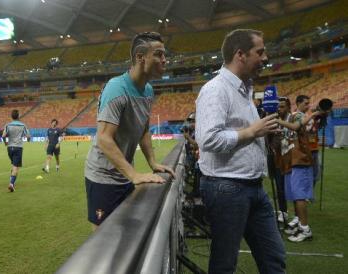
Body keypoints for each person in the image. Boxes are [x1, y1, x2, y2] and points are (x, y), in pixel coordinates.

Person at [195, 29, 286, 274]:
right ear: (240, 55)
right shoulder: (216, 90)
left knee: (274, 257)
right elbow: (207, 139)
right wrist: (252, 132)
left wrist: (264, 135)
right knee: (225, 264)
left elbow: (245, 133)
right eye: (260, 51)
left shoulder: (244, 90)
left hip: (253, 186)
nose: (265, 57)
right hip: (227, 188)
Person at [84, 32, 175, 229]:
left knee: (123, 232)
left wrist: (152, 162)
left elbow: (143, 128)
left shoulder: (148, 90)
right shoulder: (117, 88)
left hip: (124, 173)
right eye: (159, 54)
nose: (164, 60)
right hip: (102, 176)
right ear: (140, 58)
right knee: (103, 238)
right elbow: (104, 139)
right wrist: (134, 175)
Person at [277, 95, 322, 242]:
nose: (308, 106)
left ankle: (305, 228)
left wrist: (314, 115)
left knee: (299, 196)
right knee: (295, 196)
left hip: (301, 160)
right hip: (292, 161)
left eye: (309, 103)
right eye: (305, 103)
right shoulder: (294, 117)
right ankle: (299, 223)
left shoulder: (298, 117)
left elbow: (298, 127)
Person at [2, 109, 30, 192]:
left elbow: (3, 136)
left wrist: (6, 143)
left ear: (11, 116)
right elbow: (28, 136)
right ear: (19, 116)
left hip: (10, 148)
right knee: (16, 167)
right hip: (18, 147)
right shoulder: (22, 125)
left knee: (14, 164)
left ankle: (12, 179)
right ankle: (11, 183)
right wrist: (28, 140)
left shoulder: (8, 125)